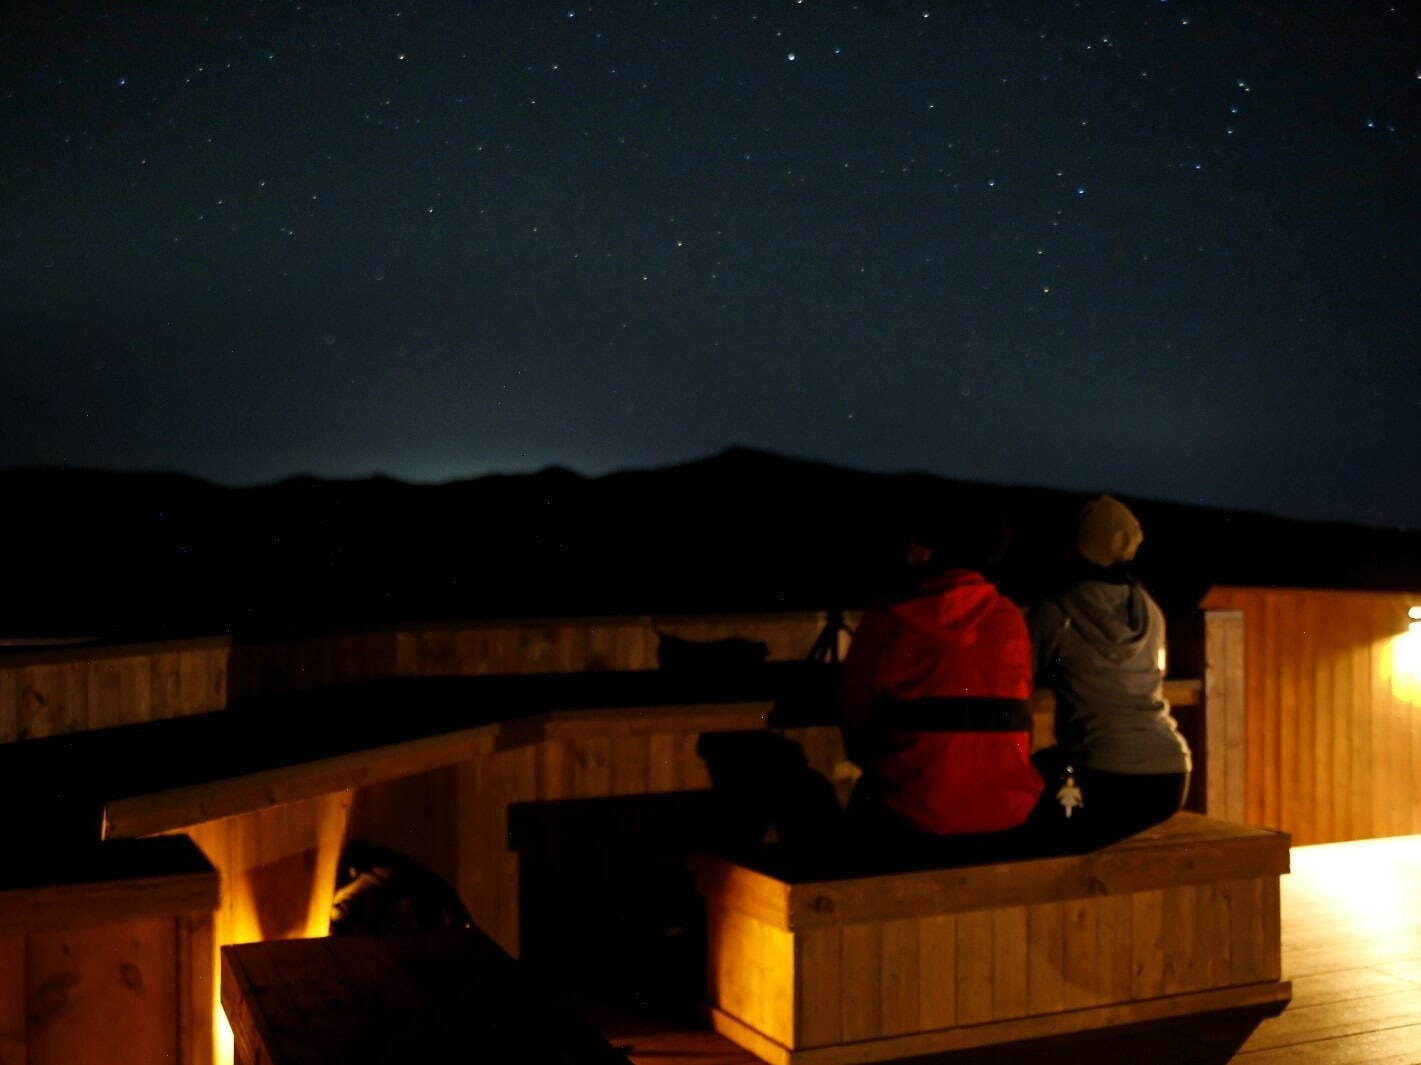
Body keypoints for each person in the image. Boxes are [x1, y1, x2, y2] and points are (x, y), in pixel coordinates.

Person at [840, 503, 1042, 848]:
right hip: (1008, 812)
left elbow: (855, 723)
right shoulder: (1008, 618)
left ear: (930, 552)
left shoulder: (892, 618)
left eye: (918, 542)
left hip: (913, 816)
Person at [1028, 496, 1191, 850]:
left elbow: (1018, 676)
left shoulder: (1054, 611)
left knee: (1027, 816)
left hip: (1104, 774)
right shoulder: (1151, 611)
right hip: (1171, 774)